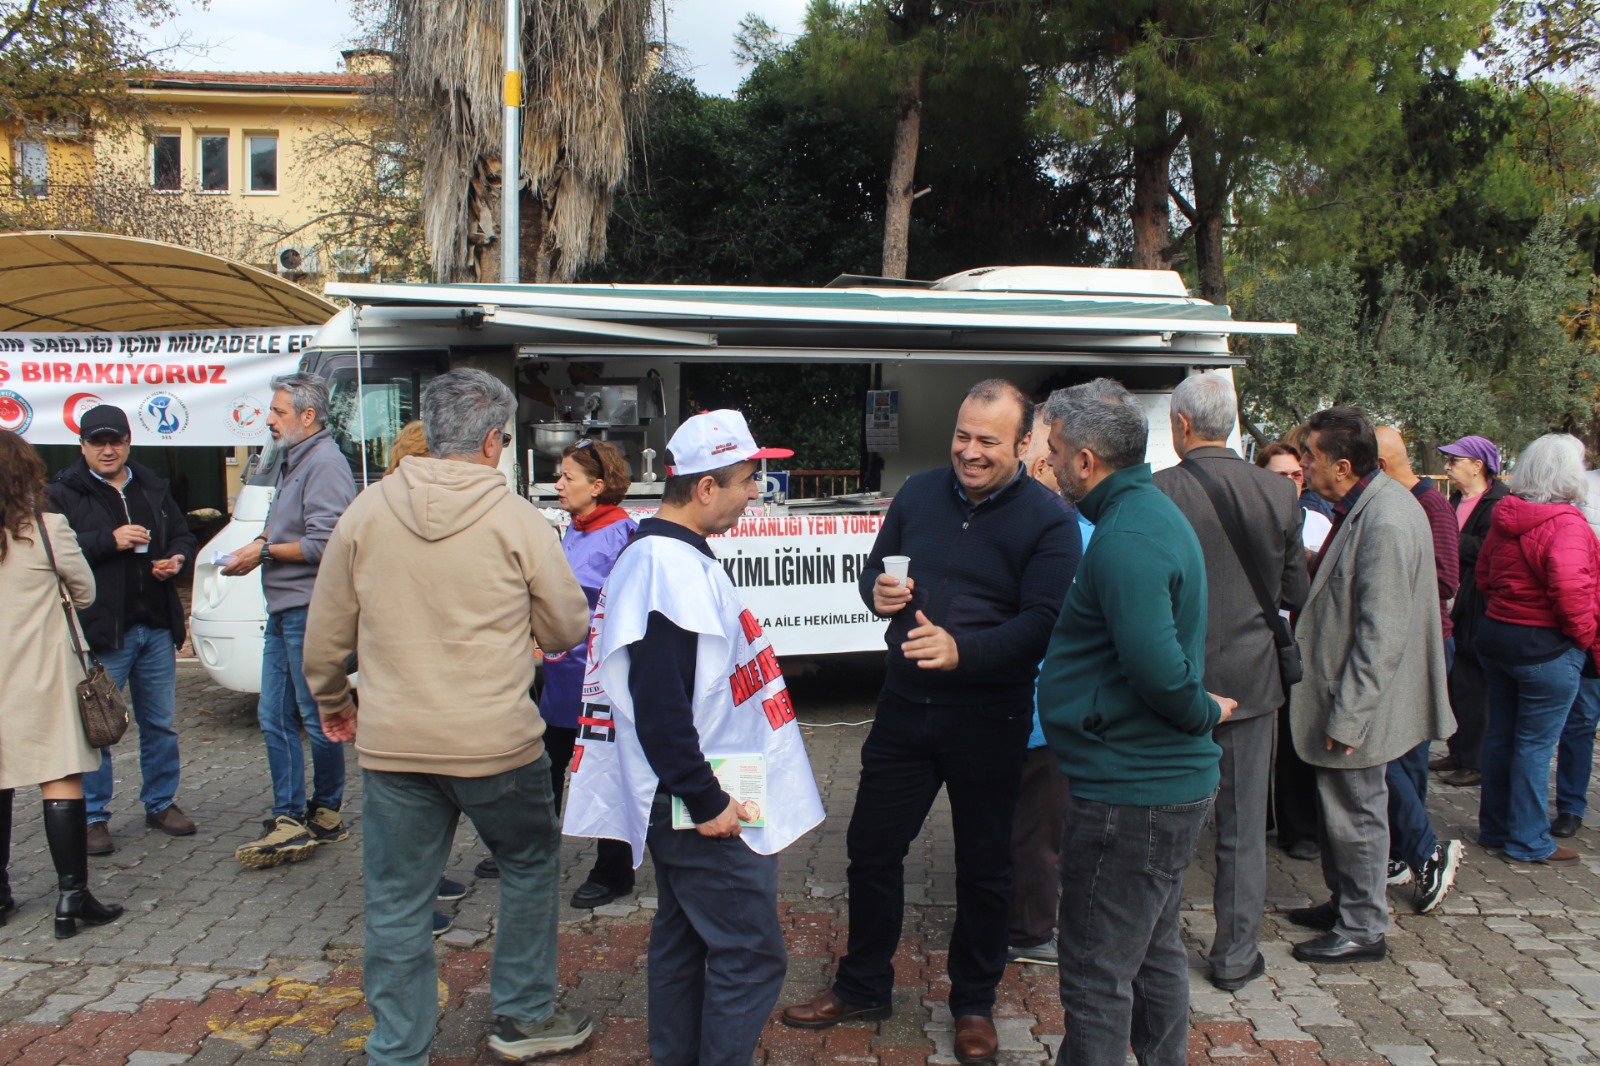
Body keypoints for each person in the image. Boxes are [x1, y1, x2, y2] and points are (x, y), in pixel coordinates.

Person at [780, 379, 1078, 1064]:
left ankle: (973, 1003)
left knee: (985, 868)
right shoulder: (917, 493)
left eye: (988, 442)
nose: (969, 453)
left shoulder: (1049, 520)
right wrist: (878, 592)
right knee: (872, 851)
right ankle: (863, 984)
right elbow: (871, 575)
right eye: (962, 436)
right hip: (906, 709)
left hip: (991, 715)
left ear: (1026, 443)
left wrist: (964, 650)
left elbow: (1046, 623)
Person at [303, 368, 594, 1064]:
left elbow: (323, 641)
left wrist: (335, 702)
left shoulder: (365, 513)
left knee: (398, 901)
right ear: (494, 439)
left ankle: (397, 1049)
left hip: (396, 745)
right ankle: (523, 1016)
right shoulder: (517, 518)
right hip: (498, 745)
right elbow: (565, 627)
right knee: (528, 863)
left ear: (431, 433)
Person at [564, 409, 824, 1066]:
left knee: (683, 938)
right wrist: (706, 802)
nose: (753, 493)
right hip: (699, 790)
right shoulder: (666, 569)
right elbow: (659, 706)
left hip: (712, 776)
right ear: (706, 488)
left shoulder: (670, 557)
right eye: (745, 480)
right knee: (752, 954)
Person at [1036, 378, 1235, 1065]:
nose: (1049, 462)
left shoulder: (1127, 536)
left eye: (1055, 451)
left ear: (1086, 461)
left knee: (1095, 976)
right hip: (1150, 787)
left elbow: (1159, 671)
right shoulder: (1144, 514)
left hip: (1131, 793)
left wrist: (1203, 708)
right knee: (1151, 951)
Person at [1153, 373, 1307, 992]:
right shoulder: (1279, 492)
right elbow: (1294, 591)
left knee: (1165, 824)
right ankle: (1236, 956)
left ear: (1182, 424)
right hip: (1252, 683)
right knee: (1243, 830)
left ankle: (1157, 948)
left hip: (1174, 683)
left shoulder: (1156, 493)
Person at [1285, 407, 1453, 964]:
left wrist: (1351, 715)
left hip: (1355, 702)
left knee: (1357, 814)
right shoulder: (1368, 505)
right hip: (1344, 693)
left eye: (1309, 457)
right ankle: (1346, 905)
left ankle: (1362, 927)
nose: (1303, 465)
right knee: (1342, 811)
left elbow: (1381, 632)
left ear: (1342, 465)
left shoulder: (1384, 517)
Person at [47, 404, 199, 855]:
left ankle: (161, 802)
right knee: (99, 725)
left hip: (152, 623)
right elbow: (57, 554)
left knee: (160, 723)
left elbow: (184, 536)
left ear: (129, 443)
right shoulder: (63, 493)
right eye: (98, 442)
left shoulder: (152, 484)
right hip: (101, 630)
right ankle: (93, 817)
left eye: (116, 441)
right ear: (83, 447)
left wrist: (177, 561)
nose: (108, 450)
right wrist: (108, 542)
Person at [223, 373, 358, 869]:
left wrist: (262, 551)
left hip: (307, 609)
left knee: (312, 715)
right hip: (286, 609)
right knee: (276, 716)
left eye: (279, 412)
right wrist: (260, 542)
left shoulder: (324, 463)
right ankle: (295, 814)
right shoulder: (295, 458)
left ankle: (322, 811)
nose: (269, 419)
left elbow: (328, 543)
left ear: (307, 416)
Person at [0, 429, 124, 939]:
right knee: (61, 779)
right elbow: (87, 593)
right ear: (28, 476)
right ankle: (72, 896)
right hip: (45, 674)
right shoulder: (48, 529)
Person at [1473, 433, 1600, 866]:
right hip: (1544, 646)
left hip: (1500, 636)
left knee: (1502, 737)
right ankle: (1528, 839)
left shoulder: (1506, 516)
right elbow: (1572, 591)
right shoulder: (1566, 523)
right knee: (1532, 745)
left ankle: (1495, 827)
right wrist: (1585, 638)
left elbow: (1486, 577)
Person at [1007, 398, 1087, 967]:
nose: (1045, 468)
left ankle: (1029, 927)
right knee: (1032, 827)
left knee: (1036, 828)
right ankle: (1028, 926)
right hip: (1035, 710)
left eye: (1045, 458)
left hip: (1043, 711)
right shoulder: (1076, 528)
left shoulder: (1075, 532)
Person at [543, 438, 639, 909]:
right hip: (561, 675)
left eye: (567, 478)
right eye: (558, 476)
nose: (558, 485)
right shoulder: (574, 528)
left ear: (598, 486)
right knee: (546, 767)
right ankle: (532, 851)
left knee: (606, 771)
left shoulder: (625, 534)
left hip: (599, 680)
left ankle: (614, 870)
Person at [1373, 426, 1463, 913]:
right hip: (1403, 644)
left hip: (1421, 645)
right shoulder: (1407, 502)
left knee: (1395, 756)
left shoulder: (1430, 507)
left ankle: (1426, 849)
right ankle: (1406, 851)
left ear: (1382, 466)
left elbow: (1446, 579)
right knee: (1402, 758)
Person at [1255, 440, 1326, 863]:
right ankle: (1256, 813)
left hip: (1299, 638)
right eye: (1278, 475)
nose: (1289, 482)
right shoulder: (1247, 518)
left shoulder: (1317, 521)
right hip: (1255, 635)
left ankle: (1298, 827)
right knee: (1253, 731)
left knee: (1295, 731)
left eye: (1296, 474)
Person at [1431, 434, 1509, 788]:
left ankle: (1476, 760)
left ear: (1478, 465)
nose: (1448, 469)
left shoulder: (1498, 503)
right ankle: (1458, 749)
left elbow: (1488, 548)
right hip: (1454, 605)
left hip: (1478, 605)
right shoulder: (1456, 500)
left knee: (1474, 688)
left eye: (1454, 462)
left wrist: (1447, 540)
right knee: (1456, 684)